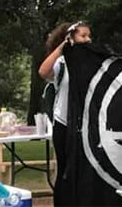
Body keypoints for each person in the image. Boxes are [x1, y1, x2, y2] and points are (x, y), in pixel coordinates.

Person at [37, 21, 93, 206]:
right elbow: (43, 72)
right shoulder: (61, 63)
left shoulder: (91, 62)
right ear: (71, 38)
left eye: (89, 36)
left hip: (84, 124)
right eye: (83, 36)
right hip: (63, 123)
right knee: (65, 170)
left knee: (85, 170)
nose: (88, 39)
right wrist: (62, 47)